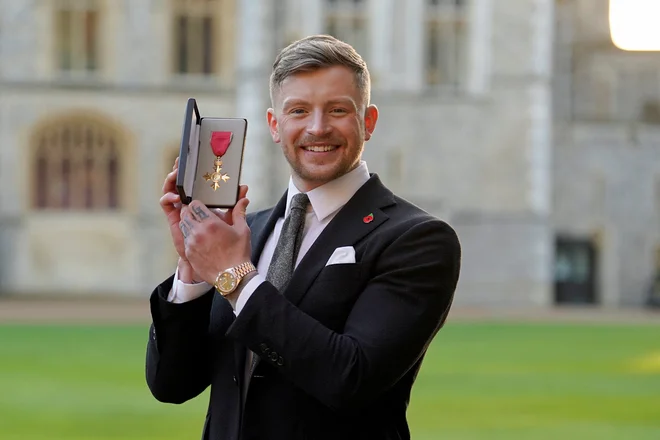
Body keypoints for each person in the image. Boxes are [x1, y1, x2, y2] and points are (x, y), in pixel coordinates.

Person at [146, 34, 461, 440]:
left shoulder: (418, 239)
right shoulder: (249, 230)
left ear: (368, 122)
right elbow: (171, 385)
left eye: (337, 110)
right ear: (275, 126)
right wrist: (191, 268)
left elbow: (351, 377)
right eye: (298, 110)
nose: (317, 127)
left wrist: (234, 277)